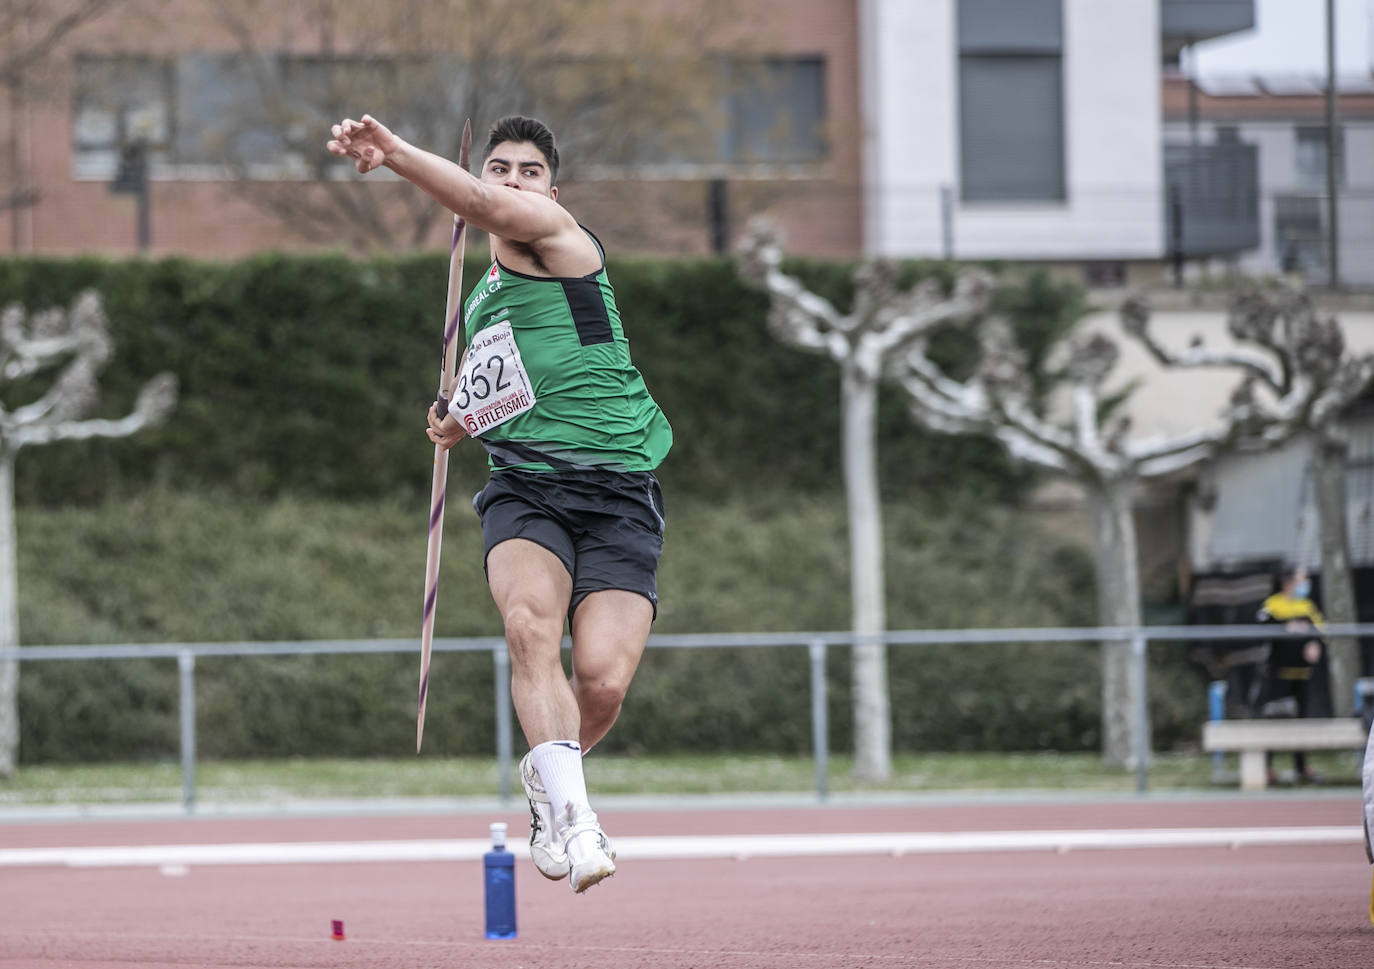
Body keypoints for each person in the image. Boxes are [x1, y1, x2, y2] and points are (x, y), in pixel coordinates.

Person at [327, 113, 672, 893]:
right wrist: (457, 418)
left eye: (527, 170)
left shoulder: (562, 239)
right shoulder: (480, 307)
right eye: (499, 166)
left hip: (618, 490)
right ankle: (577, 821)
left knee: (604, 681)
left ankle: (549, 781)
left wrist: (396, 156)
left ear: (554, 190)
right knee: (527, 628)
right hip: (526, 488)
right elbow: (500, 392)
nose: (512, 180)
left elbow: (491, 212)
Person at [1256, 564, 1326, 784]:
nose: (1305, 584)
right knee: (1272, 723)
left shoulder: (1306, 606)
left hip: (1302, 675)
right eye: (1301, 579)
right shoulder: (1273, 604)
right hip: (1278, 675)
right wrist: (1288, 625)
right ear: (1288, 583)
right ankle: (1267, 768)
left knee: (1301, 723)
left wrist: (1315, 642)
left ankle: (1301, 768)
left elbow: (1321, 630)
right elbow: (1261, 624)